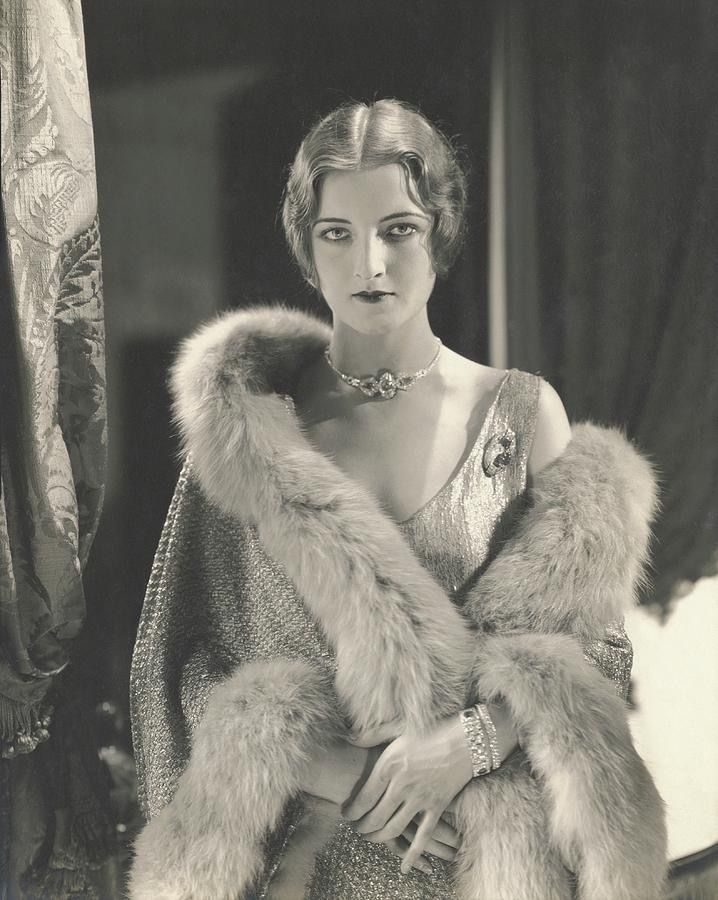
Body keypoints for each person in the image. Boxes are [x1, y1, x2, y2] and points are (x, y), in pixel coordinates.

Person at [128, 99, 667, 899]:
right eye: (337, 233)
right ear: (306, 247)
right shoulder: (249, 437)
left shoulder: (520, 416)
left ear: (440, 231)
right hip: (303, 866)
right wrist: (345, 773)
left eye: (398, 229)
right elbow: (180, 673)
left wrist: (467, 745)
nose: (368, 264)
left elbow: (599, 657)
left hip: (488, 866)